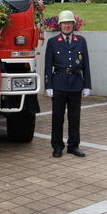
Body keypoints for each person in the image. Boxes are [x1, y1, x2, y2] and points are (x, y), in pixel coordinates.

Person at [44, 10, 91, 158]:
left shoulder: (81, 41)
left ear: (73, 25)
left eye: (69, 23)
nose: (67, 26)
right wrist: (48, 86)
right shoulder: (52, 42)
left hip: (76, 83)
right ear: (59, 25)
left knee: (74, 117)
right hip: (59, 83)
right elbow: (47, 66)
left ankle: (73, 145)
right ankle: (57, 146)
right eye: (64, 23)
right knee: (57, 117)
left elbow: (86, 65)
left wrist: (87, 85)